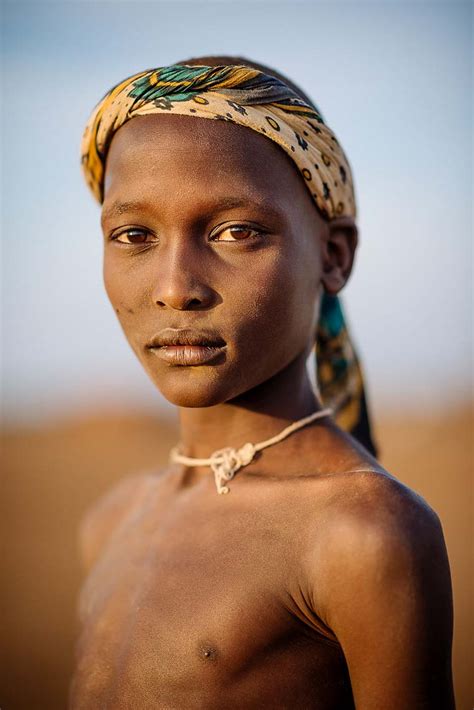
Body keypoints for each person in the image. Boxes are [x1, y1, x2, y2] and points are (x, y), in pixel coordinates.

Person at [71, 57, 455, 709]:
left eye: (236, 231)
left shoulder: (363, 534)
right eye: (134, 234)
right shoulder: (111, 522)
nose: (174, 289)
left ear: (333, 256)